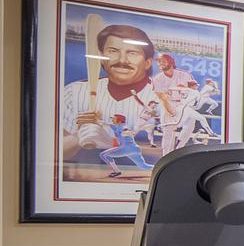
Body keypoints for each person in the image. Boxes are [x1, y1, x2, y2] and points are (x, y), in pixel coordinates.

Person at [59, 23, 165, 170]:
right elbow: (51, 155)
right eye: (113, 51)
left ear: (147, 63)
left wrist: (108, 140)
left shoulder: (166, 98)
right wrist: (77, 137)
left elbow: (175, 154)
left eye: (132, 53)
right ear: (102, 58)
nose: (122, 60)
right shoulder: (74, 92)